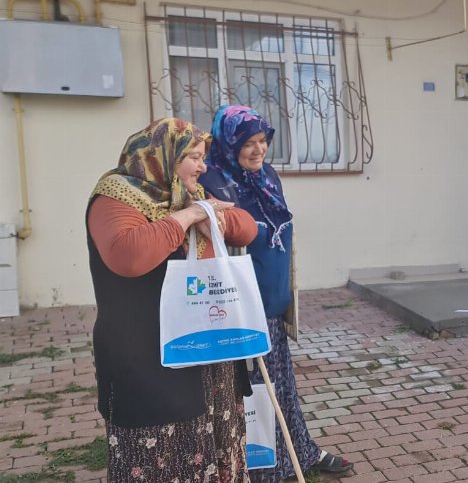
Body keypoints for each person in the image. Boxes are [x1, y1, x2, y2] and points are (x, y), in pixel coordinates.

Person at [86, 118, 258, 482]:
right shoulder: (114, 197)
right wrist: (187, 217)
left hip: (204, 349)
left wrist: (214, 220)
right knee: (160, 452)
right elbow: (127, 256)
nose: (203, 165)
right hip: (146, 355)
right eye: (194, 156)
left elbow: (248, 227)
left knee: (216, 446)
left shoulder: (184, 193)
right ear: (163, 156)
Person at [199, 105, 355, 481]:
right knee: (250, 390)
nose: (258, 151)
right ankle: (260, 467)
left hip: (272, 300)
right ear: (228, 142)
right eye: (248, 143)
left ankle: (299, 451)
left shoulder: (266, 176)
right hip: (238, 304)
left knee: (281, 386)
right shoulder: (213, 180)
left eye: (262, 141)